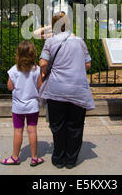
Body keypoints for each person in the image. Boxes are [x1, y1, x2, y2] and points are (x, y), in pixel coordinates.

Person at [38, 12, 94, 169]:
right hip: (77, 89)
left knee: (57, 125)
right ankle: (71, 159)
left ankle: (58, 157)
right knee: (75, 125)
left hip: (57, 89)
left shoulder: (50, 41)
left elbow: (43, 63)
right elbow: (88, 64)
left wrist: (47, 70)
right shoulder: (79, 41)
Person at [1, 40, 44, 167]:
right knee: (32, 130)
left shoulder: (13, 70)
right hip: (32, 105)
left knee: (18, 131)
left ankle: (15, 157)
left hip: (18, 106)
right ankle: (35, 157)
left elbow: (9, 86)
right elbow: (40, 86)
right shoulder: (36, 70)